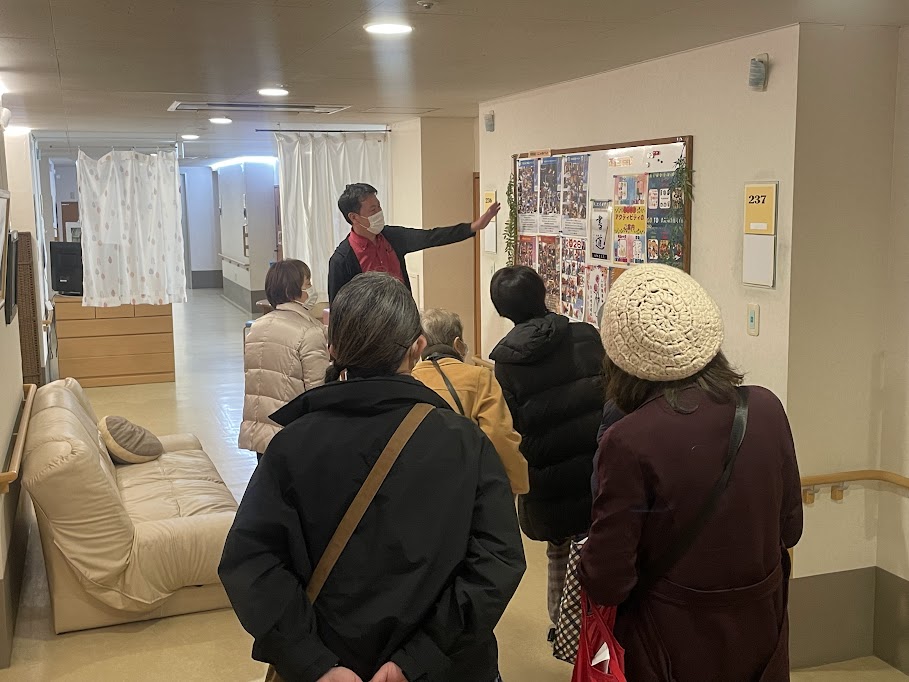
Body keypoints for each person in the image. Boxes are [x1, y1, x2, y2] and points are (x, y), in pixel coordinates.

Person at [220, 272, 525, 682]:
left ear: (331, 348)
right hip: (447, 668)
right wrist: (418, 657)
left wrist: (312, 661)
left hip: (325, 665)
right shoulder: (464, 442)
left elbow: (251, 561)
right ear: (417, 348)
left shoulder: (291, 445)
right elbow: (497, 559)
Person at [579, 265, 802, 681]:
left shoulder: (629, 439)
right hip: (762, 632)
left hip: (672, 640)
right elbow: (790, 528)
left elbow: (608, 578)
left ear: (618, 358)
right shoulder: (766, 408)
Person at [488, 265, 604, 635]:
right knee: (600, 544)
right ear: (543, 293)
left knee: (558, 551)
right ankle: (600, 626)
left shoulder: (506, 363)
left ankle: (565, 628)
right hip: (595, 461)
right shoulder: (586, 335)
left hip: (547, 471)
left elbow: (510, 424)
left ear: (502, 310)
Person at [411, 308, 529, 495]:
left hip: (421, 485)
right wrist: (517, 483)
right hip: (466, 487)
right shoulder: (479, 377)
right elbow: (498, 435)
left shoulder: (410, 379)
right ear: (458, 344)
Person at [327, 183, 500, 302]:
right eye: (373, 210)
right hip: (370, 331)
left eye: (379, 206)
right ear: (354, 217)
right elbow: (338, 307)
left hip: (404, 320)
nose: (379, 212)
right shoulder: (342, 259)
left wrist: (473, 227)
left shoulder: (392, 237)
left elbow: (432, 237)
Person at [239, 259, 329, 459]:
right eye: (308, 283)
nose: (311, 290)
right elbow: (317, 392)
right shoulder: (309, 333)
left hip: (261, 432)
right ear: (292, 291)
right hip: (293, 435)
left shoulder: (257, 328)